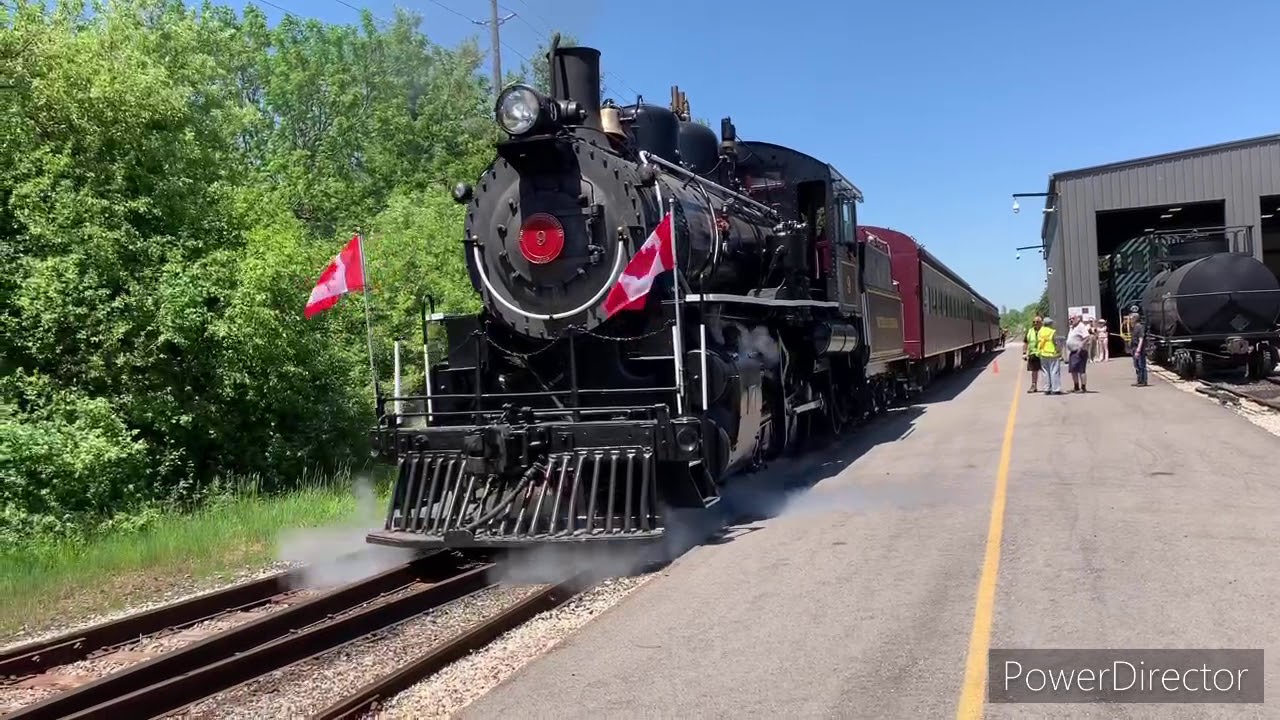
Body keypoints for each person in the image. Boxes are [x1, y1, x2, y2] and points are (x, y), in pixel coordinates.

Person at [1065, 313, 1094, 392]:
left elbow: (1087, 336)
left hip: (1080, 351)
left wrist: (1081, 344)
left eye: (1073, 318)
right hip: (1073, 351)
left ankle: (1083, 387)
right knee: (1073, 370)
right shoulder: (1072, 327)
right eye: (1070, 319)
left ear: (1078, 319)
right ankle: (1076, 386)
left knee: (1081, 370)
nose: (1071, 320)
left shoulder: (1081, 326)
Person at [1037, 317, 1063, 394]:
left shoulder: (1040, 331)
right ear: (1050, 324)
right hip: (1052, 353)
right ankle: (1055, 389)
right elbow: (1056, 342)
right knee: (1054, 371)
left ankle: (1046, 388)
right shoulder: (1052, 332)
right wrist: (1059, 351)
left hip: (1043, 353)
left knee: (1045, 372)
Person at [1129, 307, 1149, 387]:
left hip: (1139, 348)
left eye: (1131, 318)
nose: (1130, 320)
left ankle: (1144, 381)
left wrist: (1138, 350)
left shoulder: (1140, 327)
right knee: (1136, 365)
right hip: (1134, 347)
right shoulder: (1133, 327)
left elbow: (1141, 339)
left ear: (1135, 319)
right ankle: (1139, 380)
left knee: (1141, 365)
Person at [1023, 316, 1043, 393]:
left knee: (1046, 371)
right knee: (1034, 371)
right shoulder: (1030, 331)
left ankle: (1048, 386)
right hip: (1033, 354)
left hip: (1043, 353)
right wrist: (1024, 353)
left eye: (1037, 322)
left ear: (1041, 322)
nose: (1035, 323)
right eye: (1034, 322)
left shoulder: (1044, 330)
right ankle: (1033, 386)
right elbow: (1025, 342)